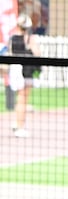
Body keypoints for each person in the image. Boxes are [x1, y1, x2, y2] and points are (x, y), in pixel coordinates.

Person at [8, 8, 37, 138]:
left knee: (20, 98)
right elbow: (37, 53)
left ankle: (17, 122)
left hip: (15, 69)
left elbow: (9, 53)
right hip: (25, 71)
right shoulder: (29, 39)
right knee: (23, 99)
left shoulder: (12, 38)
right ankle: (20, 126)